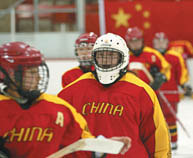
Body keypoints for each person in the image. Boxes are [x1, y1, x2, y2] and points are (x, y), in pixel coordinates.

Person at [0, 42, 131, 158]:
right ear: (10, 73)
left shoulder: (59, 108)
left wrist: (104, 146)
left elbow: (79, 144)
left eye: (38, 72)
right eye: (32, 73)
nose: (39, 79)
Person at [58, 33, 171, 158]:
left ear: (123, 57)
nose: (105, 61)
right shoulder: (72, 91)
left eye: (111, 55)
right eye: (101, 56)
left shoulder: (141, 91)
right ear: (94, 57)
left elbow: (157, 136)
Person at [153, 32, 190, 150]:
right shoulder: (150, 55)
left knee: (170, 119)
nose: (160, 44)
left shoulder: (174, 56)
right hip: (153, 94)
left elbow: (181, 73)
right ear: (154, 43)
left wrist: (184, 85)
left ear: (167, 43)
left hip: (170, 94)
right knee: (153, 119)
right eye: (158, 41)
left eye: (163, 41)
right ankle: (158, 142)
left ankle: (172, 141)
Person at [125, 27, 171, 91]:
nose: (135, 44)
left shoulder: (153, 54)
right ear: (128, 43)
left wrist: (161, 77)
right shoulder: (124, 56)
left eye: (137, 40)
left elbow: (166, 68)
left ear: (142, 40)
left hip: (150, 91)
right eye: (132, 41)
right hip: (130, 91)